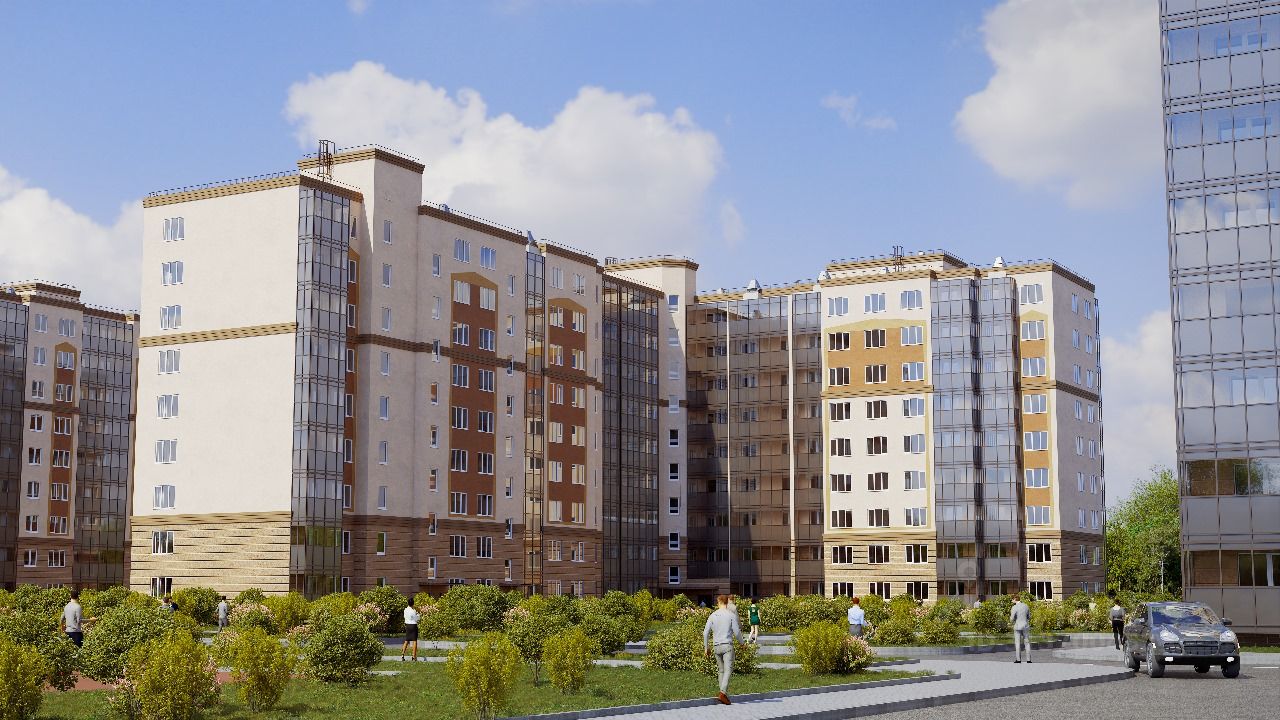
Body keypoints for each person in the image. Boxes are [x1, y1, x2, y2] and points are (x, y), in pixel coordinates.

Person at [702, 594, 742, 705]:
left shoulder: (713, 615)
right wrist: (742, 643)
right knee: (728, 669)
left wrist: (706, 648)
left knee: (721, 670)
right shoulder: (731, 615)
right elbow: (737, 632)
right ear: (727, 603)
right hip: (727, 645)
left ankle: (722, 695)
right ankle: (722, 693)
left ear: (718, 602)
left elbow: (705, 633)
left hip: (716, 647)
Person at [1009, 593, 1031, 663]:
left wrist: (1012, 620)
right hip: (1025, 626)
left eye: (1012, 599)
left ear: (1015, 599)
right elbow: (1029, 617)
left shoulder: (1014, 607)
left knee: (1017, 643)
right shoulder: (1026, 606)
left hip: (1018, 626)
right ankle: (1028, 660)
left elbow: (1012, 619)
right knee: (1027, 642)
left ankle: (1018, 660)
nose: (1011, 601)